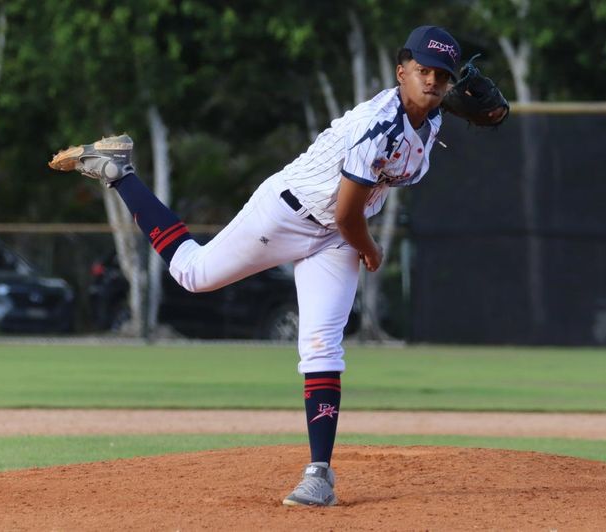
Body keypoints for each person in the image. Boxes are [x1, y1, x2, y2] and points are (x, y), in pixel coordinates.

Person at [50, 25, 502, 507]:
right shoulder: (380, 125)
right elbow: (349, 214)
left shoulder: (431, 116)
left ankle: (319, 474)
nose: (432, 81)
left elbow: (485, 113)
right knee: (192, 274)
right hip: (289, 215)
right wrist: (370, 249)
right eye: (422, 71)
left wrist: (493, 109)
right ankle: (120, 171)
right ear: (401, 71)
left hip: (336, 235)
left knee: (322, 344)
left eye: (442, 75)